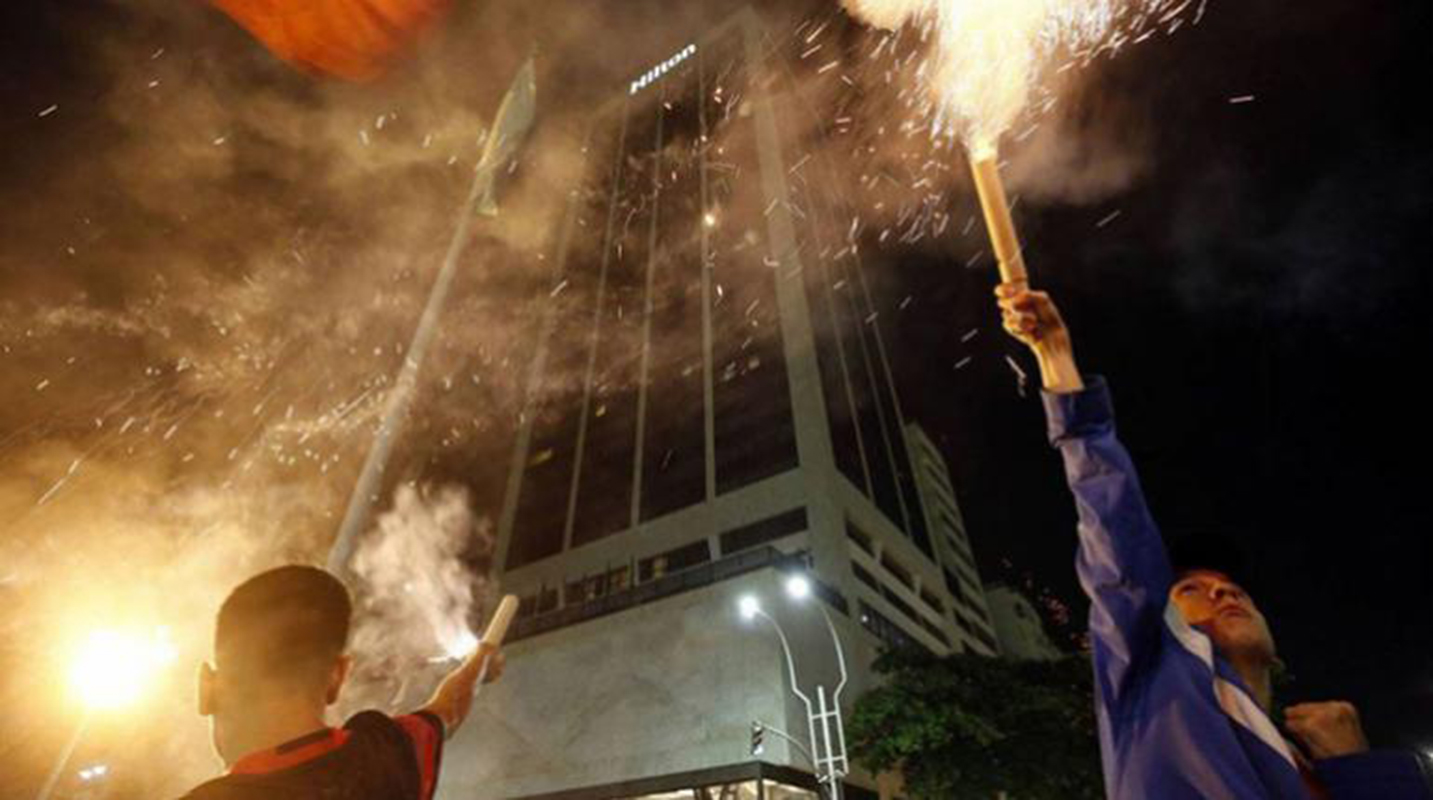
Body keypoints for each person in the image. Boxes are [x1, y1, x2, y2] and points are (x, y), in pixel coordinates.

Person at [996, 282, 1433, 800]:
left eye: (1233, 589)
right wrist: (1059, 366)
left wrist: (1359, 767)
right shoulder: (1151, 674)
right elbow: (1117, 532)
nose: (1225, 593)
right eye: (1192, 591)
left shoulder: (1308, 763)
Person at [180, 565, 505, 799]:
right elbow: (447, 709)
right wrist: (480, 663)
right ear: (337, 676)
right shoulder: (384, 761)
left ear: (205, 688)